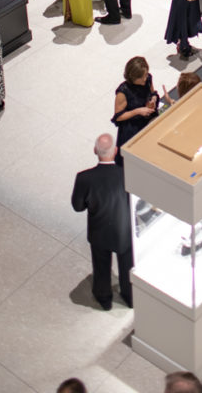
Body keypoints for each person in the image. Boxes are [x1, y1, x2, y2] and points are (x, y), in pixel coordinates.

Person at [71, 132, 133, 310]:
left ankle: (104, 298)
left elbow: (78, 207)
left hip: (99, 231)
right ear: (115, 151)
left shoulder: (84, 178)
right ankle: (130, 297)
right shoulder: (126, 175)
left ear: (95, 151)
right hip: (123, 229)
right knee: (127, 265)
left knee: (101, 266)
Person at [111, 55, 159, 151]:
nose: (145, 79)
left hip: (149, 120)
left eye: (145, 75)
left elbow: (152, 93)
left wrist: (153, 99)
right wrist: (137, 111)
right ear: (133, 77)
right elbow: (119, 116)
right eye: (141, 77)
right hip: (133, 128)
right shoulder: (123, 91)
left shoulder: (148, 79)